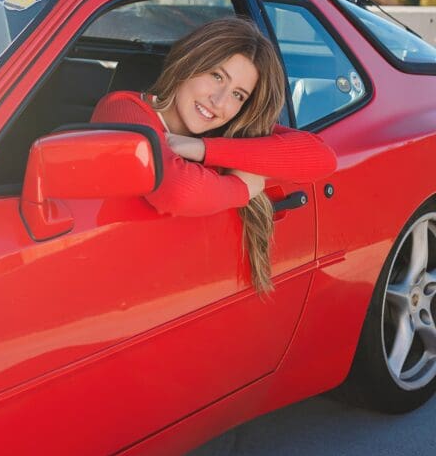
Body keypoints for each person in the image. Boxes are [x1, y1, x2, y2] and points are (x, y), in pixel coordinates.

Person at [90, 17, 337, 292]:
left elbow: (322, 157)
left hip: (190, 288)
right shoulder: (122, 109)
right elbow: (177, 190)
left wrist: (204, 149)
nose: (219, 102)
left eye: (238, 95)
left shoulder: (224, 132)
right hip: (116, 285)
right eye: (217, 76)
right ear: (189, 62)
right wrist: (241, 187)